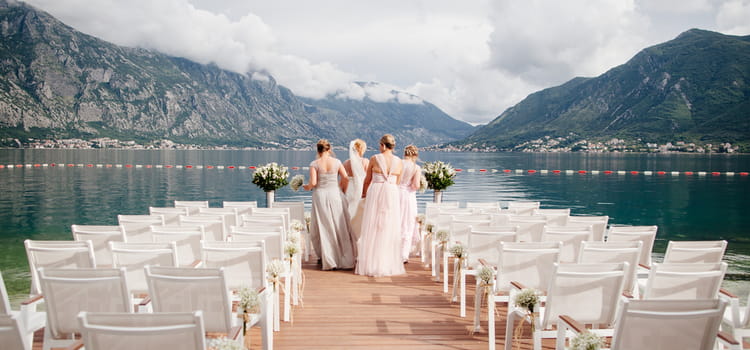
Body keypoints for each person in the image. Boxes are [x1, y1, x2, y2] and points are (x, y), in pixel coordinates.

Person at [355, 134, 405, 277]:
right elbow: (398, 182)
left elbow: (367, 180)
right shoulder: (399, 161)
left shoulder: (374, 158)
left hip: (376, 192)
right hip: (392, 193)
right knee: (389, 227)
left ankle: (372, 262)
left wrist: (363, 194)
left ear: (383, 145)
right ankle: (387, 263)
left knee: (373, 226)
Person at [303, 139, 356, 270]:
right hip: (335, 194)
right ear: (329, 149)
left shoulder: (314, 164)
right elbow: (345, 177)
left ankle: (330, 259)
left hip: (320, 195)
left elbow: (313, 183)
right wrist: (341, 189)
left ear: (318, 150)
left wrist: (306, 187)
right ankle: (344, 257)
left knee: (324, 226)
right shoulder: (337, 162)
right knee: (339, 225)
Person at [343, 139, 369, 249]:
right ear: (361, 149)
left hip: (350, 191)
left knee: (349, 215)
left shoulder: (346, 163)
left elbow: (343, 181)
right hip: (361, 190)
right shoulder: (365, 162)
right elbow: (368, 179)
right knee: (361, 217)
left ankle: (349, 244)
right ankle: (362, 243)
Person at [399, 145, 421, 263]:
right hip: (408, 196)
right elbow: (416, 185)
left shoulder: (397, 163)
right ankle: (403, 255)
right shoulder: (416, 167)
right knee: (408, 223)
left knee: (395, 221)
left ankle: (392, 251)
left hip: (396, 194)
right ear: (415, 155)